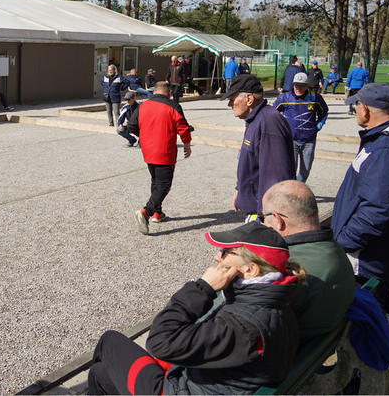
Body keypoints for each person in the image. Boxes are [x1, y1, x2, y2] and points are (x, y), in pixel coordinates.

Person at [87, 222, 301, 395]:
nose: (218, 256)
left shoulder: (246, 327)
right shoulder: (277, 301)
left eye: (226, 252)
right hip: (209, 382)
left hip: (177, 389)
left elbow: (159, 342)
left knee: (109, 341)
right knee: (100, 373)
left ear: (250, 269)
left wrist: (204, 287)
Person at [332, 83, 389, 327]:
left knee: (367, 315)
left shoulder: (388, 148)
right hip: (378, 251)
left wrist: (345, 242)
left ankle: (372, 358)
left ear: (366, 109)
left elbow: (378, 207)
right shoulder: (388, 140)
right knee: (380, 303)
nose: (355, 111)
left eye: (356, 106)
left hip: (367, 256)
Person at [260, 180, 355, 341]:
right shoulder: (334, 249)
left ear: (278, 220)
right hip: (315, 346)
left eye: (263, 216)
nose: (262, 223)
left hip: (289, 353)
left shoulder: (287, 269)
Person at [223, 74, 295, 222]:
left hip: (264, 214)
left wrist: (269, 216)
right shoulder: (255, 119)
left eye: (232, 99)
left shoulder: (269, 122)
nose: (229, 104)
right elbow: (251, 162)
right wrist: (240, 190)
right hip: (256, 208)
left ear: (249, 99)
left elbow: (276, 175)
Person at [127, 81, 192, 228]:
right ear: (168, 92)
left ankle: (157, 212)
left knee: (155, 181)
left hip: (148, 150)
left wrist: (143, 136)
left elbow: (131, 125)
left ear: (154, 91)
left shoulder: (143, 105)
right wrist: (187, 145)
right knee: (164, 185)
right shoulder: (173, 105)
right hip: (165, 151)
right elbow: (183, 128)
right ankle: (146, 212)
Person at [272, 72, 328, 182]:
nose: (299, 88)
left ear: (307, 86)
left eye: (302, 86)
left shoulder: (315, 97)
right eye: (296, 85)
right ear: (293, 85)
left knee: (306, 169)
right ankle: (291, 192)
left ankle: (299, 187)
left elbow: (324, 112)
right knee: (291, 168)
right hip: (291, 139)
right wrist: (280, 129)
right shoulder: (285, 97)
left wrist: (318, 126)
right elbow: (273, 113)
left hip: (309, 140)